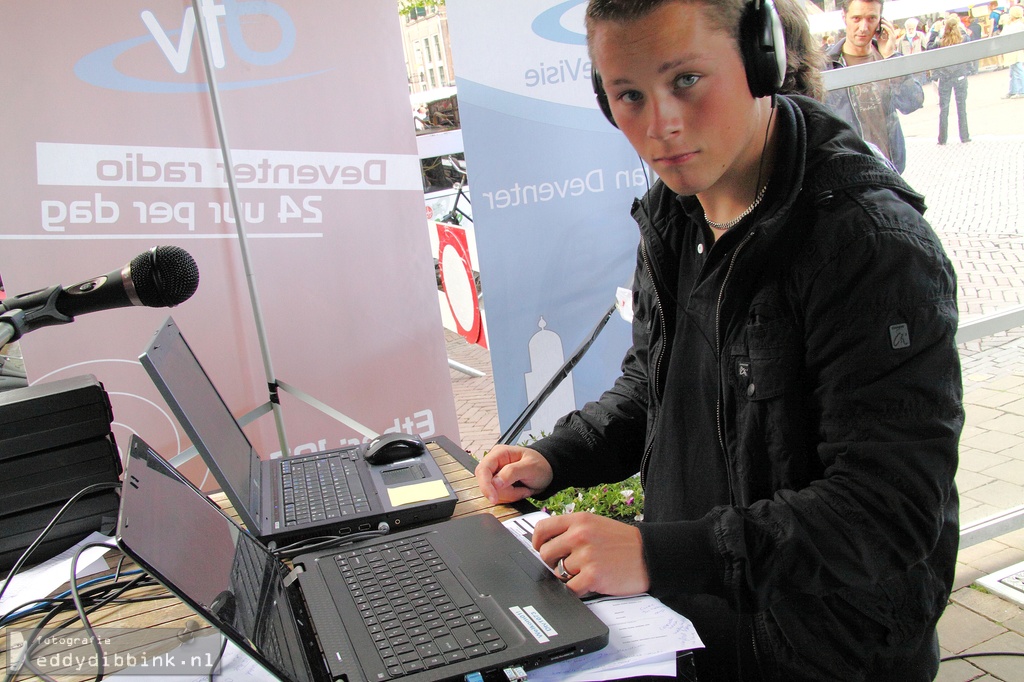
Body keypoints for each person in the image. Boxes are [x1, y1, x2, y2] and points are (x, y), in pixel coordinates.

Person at [475, 0, 962, 679]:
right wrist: (558, 457)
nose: (660, 126)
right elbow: (655, 382)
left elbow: (886, 512)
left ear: (762, 60)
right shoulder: (677, 211)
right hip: (706, 630)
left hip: (827, 656)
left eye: (686, 81)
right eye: (629, 96)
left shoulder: (869, 245)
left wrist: (658, 554)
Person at [824, 0, 925, 174]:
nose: (863, 27)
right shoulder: (827, 66)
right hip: (850, 170)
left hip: (889, 167)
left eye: (871, 18)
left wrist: (891, 58)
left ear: (881, 22)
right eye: (856, 18)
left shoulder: (886, 57)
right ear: (844, 17)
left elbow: (912, 102)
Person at [930, 14, 973, 144]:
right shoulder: (963, 38)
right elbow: (970, 47)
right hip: (960, 75)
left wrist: (934, 31)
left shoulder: (940, 41)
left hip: (945, 76)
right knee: (961, 107)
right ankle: (964, 136)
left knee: (944, 109)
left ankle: (942, 139)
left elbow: (929, 47)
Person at [1002, 5, 1024, 98]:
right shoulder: (1013, 24)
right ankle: (1013, 90)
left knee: (1018, 70)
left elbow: (1005, 34)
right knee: (1013, 71)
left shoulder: (1018, 25)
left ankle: (1021, 91)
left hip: (1015, 50)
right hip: (1011, 50)